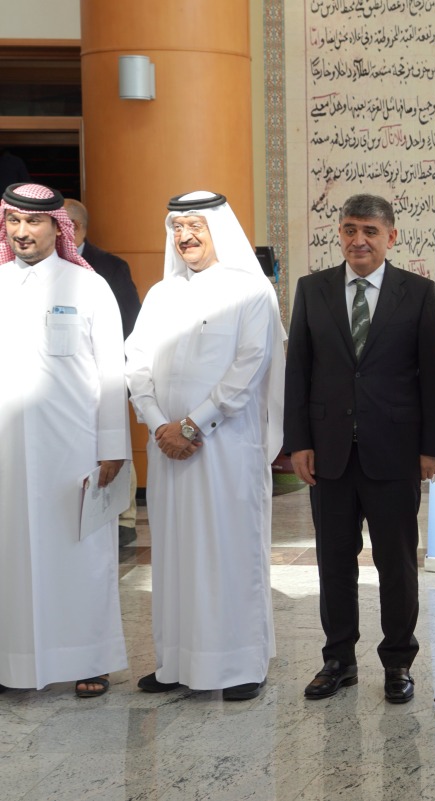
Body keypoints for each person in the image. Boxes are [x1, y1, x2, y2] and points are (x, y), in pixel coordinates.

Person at [284, 193, 435, 704]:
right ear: (340, 234)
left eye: (370, 231)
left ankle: (398, 661)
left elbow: (432, 376)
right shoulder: (312, 290)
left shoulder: (419, 293)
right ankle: (338, 660)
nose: (359, 240)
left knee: (396, 564)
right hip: (329, 451)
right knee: (334, 561)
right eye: (350, 229)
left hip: (394, 453)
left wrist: (431, 447)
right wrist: (298, 443)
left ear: (391, 237)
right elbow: (299, 373)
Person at [125, 191, 285, 701]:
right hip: (169, 448)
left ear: (218, 230)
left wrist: (194, 425)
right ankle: (176, 662)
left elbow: (250, 364)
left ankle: (240, 666)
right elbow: (137, 364)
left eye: (195, 225)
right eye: (177, 227)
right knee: (174, 556)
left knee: (228, 552)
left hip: (225, 449)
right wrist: (157, 424)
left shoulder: (251, 292)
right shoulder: (159, 295)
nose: (185, 236)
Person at [0, 182, 129, 698]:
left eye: (34, 223)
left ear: (59, 227)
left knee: (81, 553)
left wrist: (113, 445)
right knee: (11, 556)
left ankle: (89, 659)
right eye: (14, 222)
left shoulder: (88, 287)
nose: (23, 232)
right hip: (8, 453)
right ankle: (12, 662)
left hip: (72, 449)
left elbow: (111, 371)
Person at [64, 198, 142, 547]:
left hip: (104, 376)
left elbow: (130, 322)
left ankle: (123, 518)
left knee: (112, 443)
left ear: (75, 228)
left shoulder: (109, 267)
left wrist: (118, 376)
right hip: (63, 390)